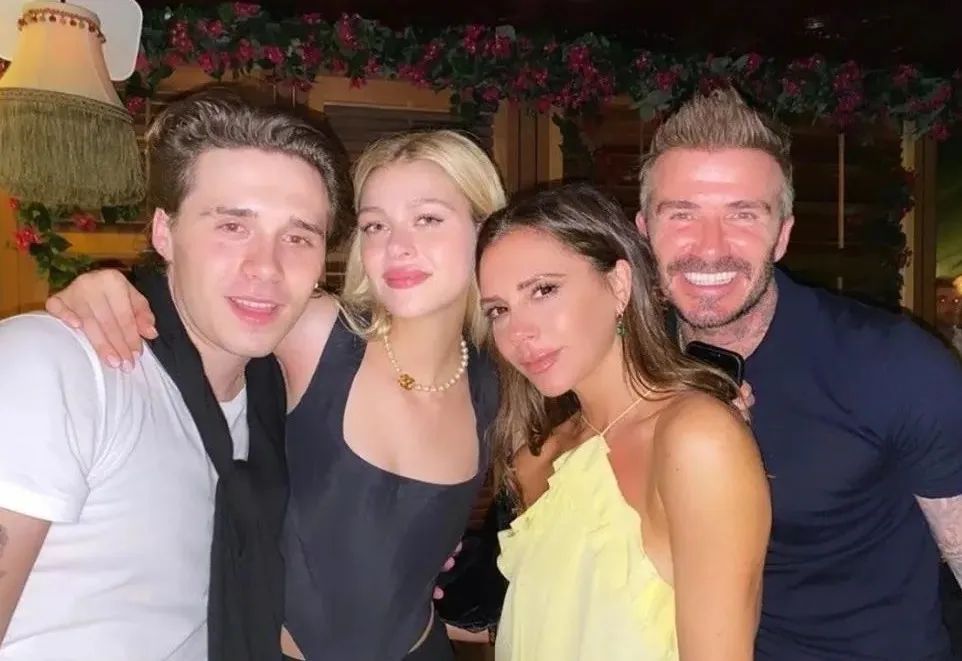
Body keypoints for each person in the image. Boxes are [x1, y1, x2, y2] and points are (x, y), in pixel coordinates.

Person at [44, 129, 507, 660]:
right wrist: (114, 288)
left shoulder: (495, 384)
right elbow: (198, 315)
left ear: (485, 230)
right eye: (375, 225)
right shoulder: (318, 333)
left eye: (428, 218)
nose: (396, 246)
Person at [0, 89, 343, 660]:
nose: (267, 266)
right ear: (164, 232)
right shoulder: (55, 367)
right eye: (233, 226)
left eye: (298, 237)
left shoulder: (283, 403)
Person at [635, 87, 962, 660]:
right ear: (644, 230)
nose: (709, 248)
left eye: (743, 215)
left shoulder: (893, 364)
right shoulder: (629, 362)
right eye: (682, 213)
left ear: (782, 235)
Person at [472, 182, 769, 660]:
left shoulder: (696, 440)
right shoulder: (536, 460)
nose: (519, 331)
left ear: (618, 285)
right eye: (499, 310)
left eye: (543, 290)